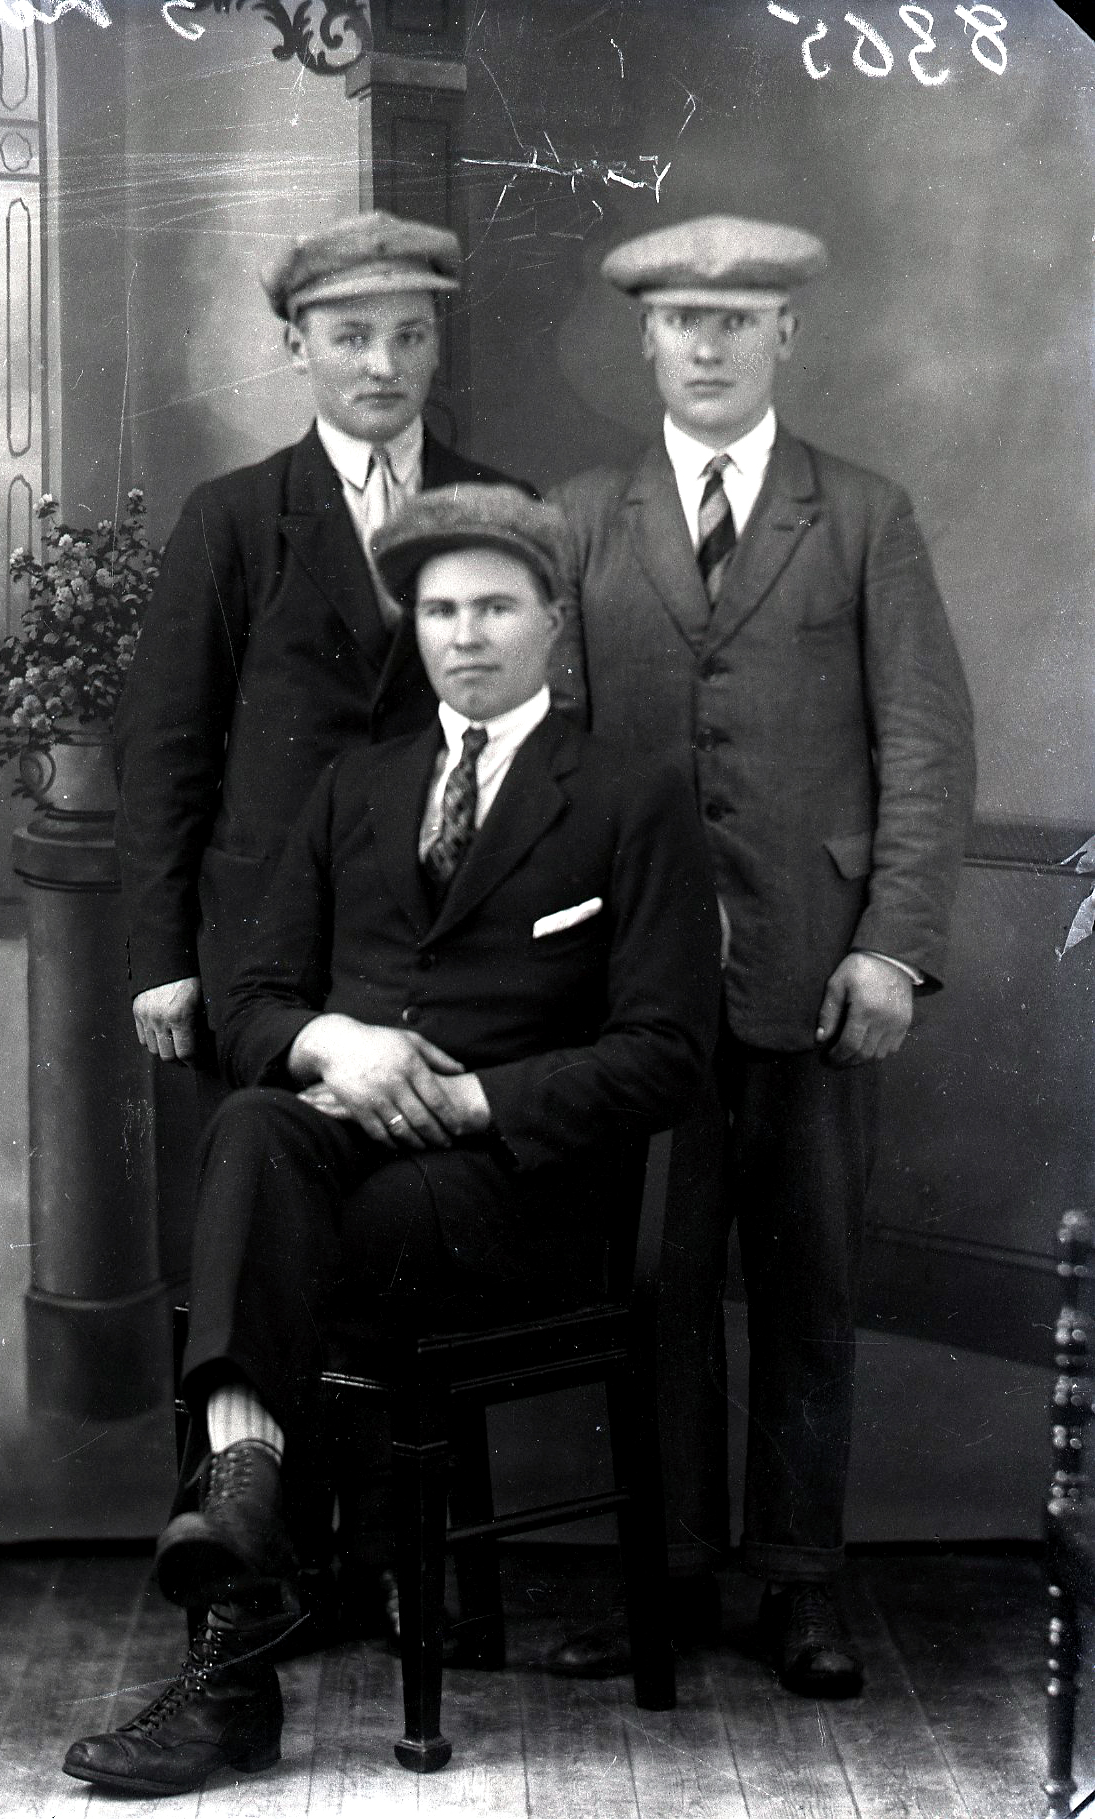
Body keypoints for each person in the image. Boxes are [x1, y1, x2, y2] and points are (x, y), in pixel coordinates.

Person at [63, 484, 721, 1795]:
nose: (463, 635)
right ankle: (250, 1501)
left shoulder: (630, 794)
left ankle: (233, 1634)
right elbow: (252, 997)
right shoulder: (355, 785)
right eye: (437, 610)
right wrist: (333, 1046)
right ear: (411, 628)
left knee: (272, 1230)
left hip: (518, 1197)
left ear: (553, 624)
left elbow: (667, 1053)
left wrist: (476, 1102)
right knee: (258, 1119)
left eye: (495, 607)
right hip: (351, 1172)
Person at [547, 215, 976, 1696]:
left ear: (788, 335)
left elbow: (925, 744)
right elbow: (550, 763)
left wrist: (893, 951)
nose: (710, 345)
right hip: (637, 989)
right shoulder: (580, 519)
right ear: (644, 341)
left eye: (739, 320)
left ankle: (798, 1583)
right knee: (653, 1285)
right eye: (683, 319)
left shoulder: (859, 514)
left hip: (818, 971)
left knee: (807, 1283)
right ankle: (665, 1576)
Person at [114, 208, 527, 1074]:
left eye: (410, 335)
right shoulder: (232, 518)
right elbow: (164, 750)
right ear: (296, 347)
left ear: (437, 345)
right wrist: (162, 957)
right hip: (270, 942)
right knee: (269, 1157)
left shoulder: (504, 509)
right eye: (351, 337)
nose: (384, 365)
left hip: (459, 932)